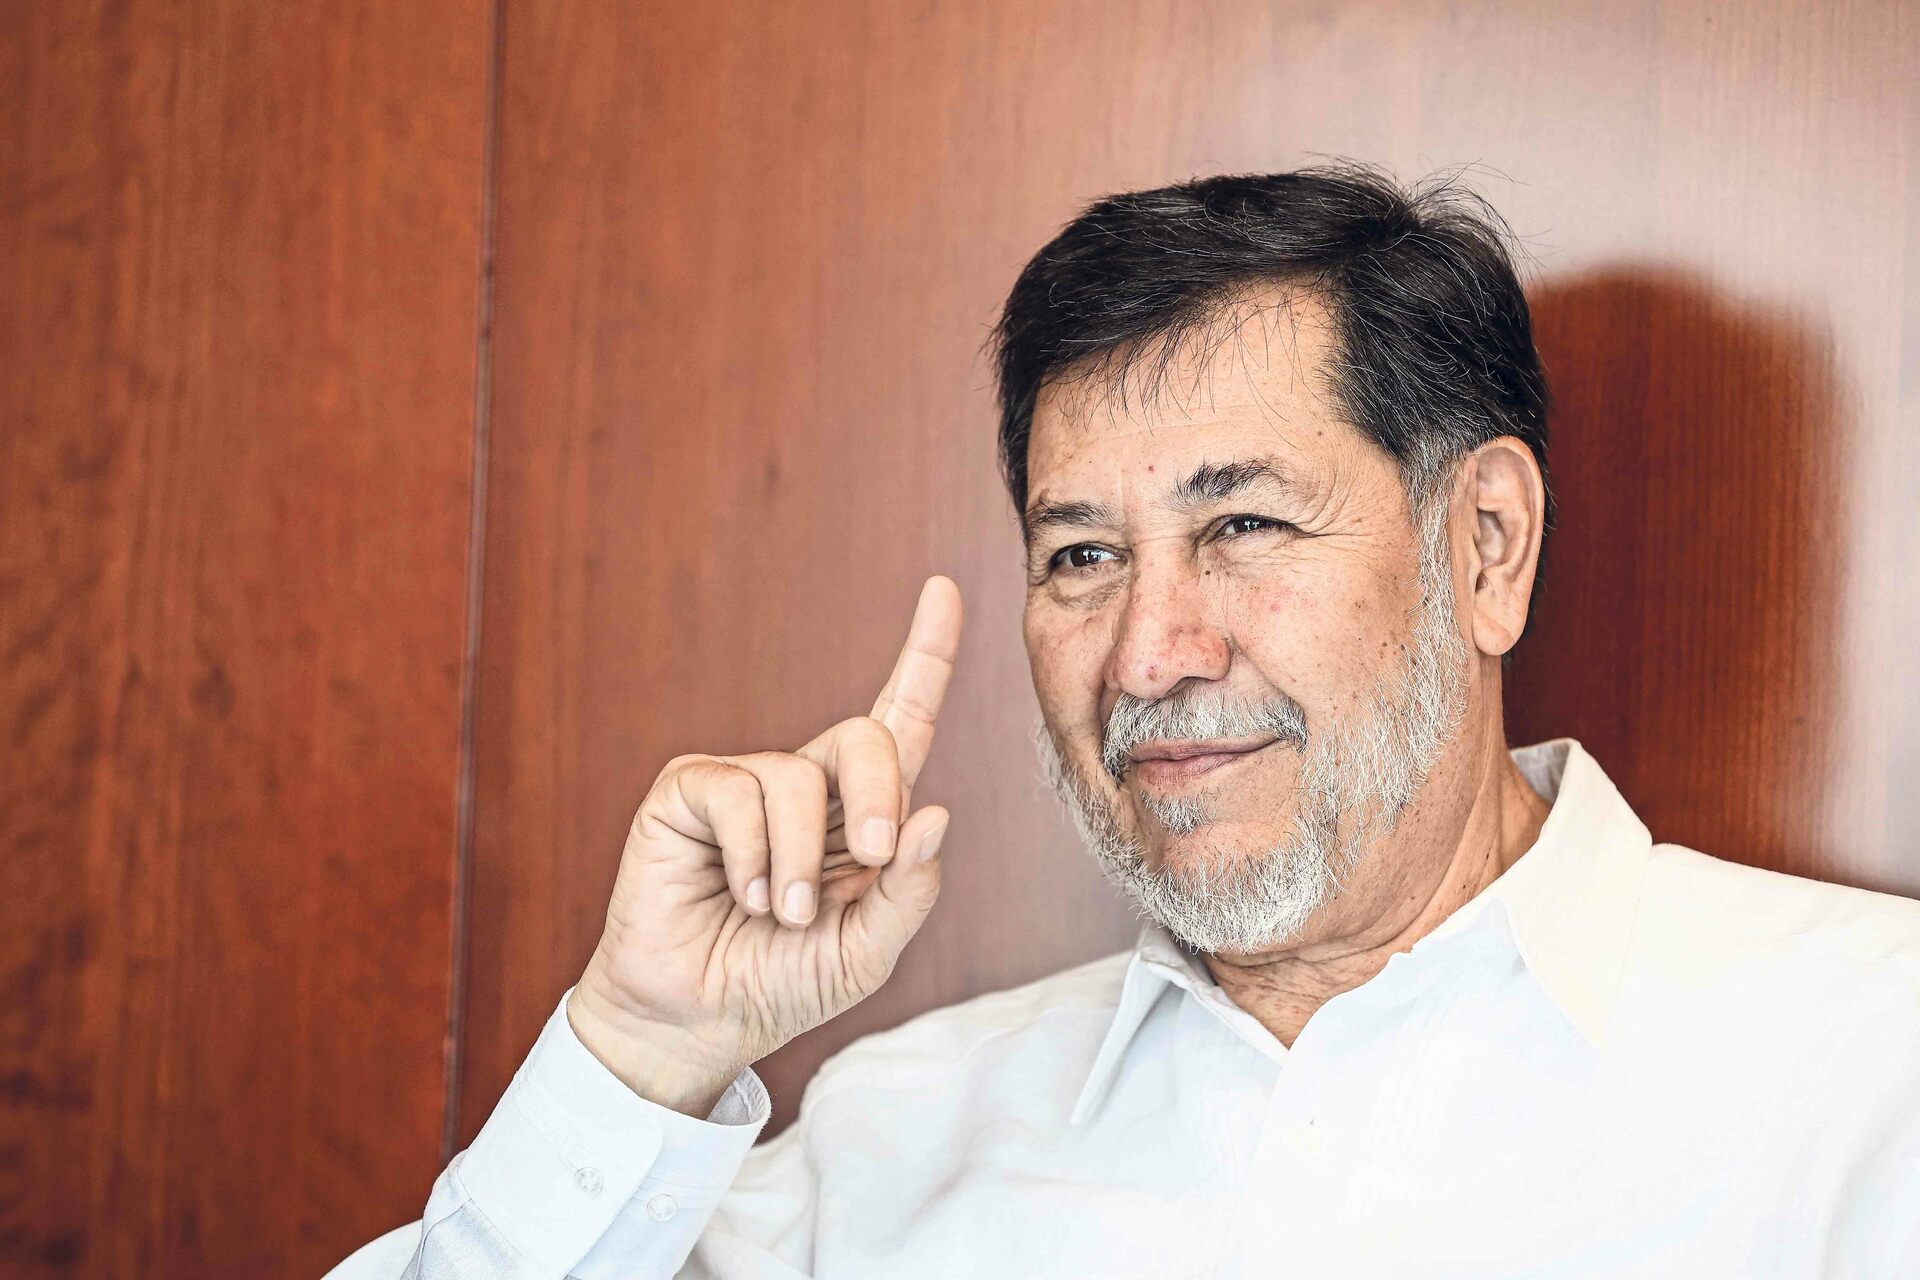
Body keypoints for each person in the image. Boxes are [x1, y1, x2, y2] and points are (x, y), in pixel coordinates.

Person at [328, 166, 1920, 1279]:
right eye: (1083, 556)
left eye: (1245, 525)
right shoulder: (893, 1138)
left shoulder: (1869, 1068)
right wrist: (646, 1050)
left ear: (1485, 546)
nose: (1151, 654)